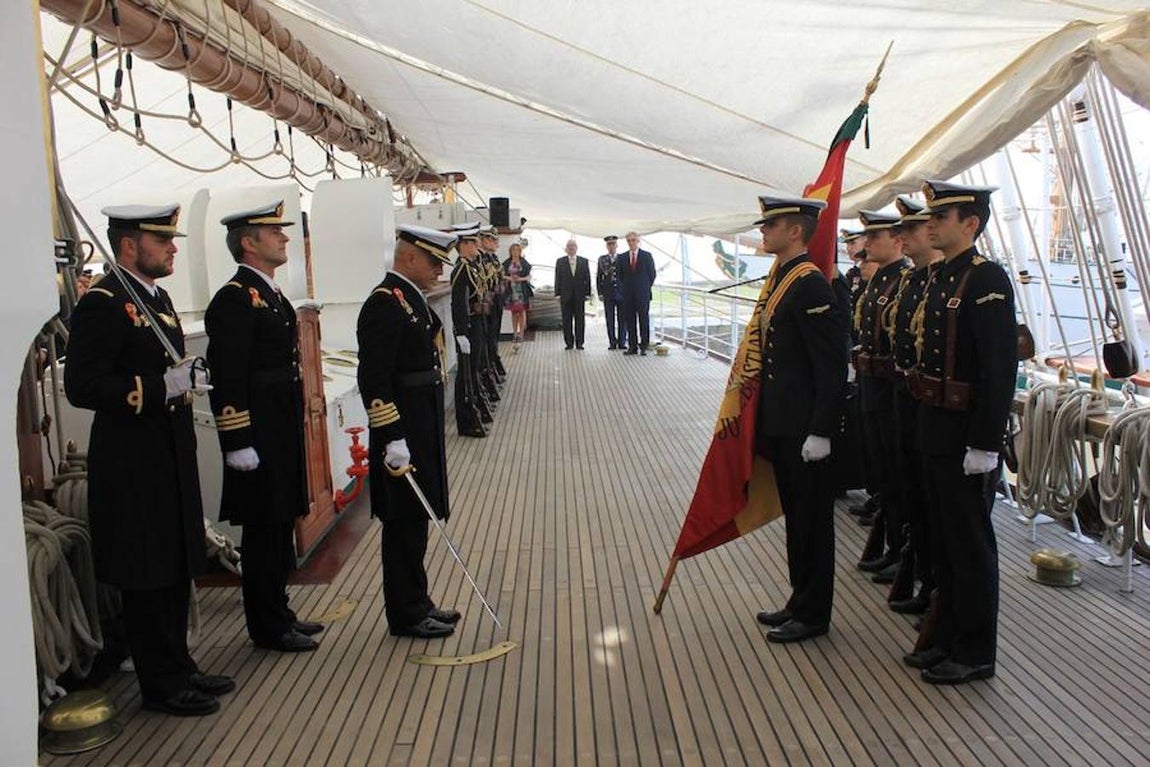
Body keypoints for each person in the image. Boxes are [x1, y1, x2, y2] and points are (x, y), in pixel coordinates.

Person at [64, 203, 232, 716]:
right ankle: (161, 686)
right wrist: (160, 387)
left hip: (169, 454)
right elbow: (82, 386)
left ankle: (180, 666)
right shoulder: (105, 303)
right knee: (148, 572)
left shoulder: (154, 298)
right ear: (128, 245)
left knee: (175, 565)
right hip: (133, 462)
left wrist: (186, 379)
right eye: (162, 241)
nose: (172, 248)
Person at [906, 180, 1017, 684]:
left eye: (941, 217)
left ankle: (975, 652)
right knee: (946, 543)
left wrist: (985, 444)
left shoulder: (985, 278)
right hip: (935, 426)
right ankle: (947, 636)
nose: (931, 223)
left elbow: (999, 367)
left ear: (970, 224)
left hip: (964, 431)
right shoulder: (942, 276)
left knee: (970, 547)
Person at [204, 200, 322, 653]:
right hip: (257, 434)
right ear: (249, 243)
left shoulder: (269, 294)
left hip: (280, 428)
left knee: (279, 525)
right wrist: (237, 439)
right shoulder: (234, 298)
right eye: (274, 232)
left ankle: (280, 610)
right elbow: (228, 375)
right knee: (262, 530)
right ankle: (267, 626)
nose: (285, 237)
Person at [749, 196, 849, 644]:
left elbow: (830, 365)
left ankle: (813, 613)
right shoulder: (785, 279)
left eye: (771, 225)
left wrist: (821, 430)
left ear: (794, 231)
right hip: (785, 424)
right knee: (797, 519)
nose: (763, 231)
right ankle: (799, 599)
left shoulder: (809, 285)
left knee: (812, 523)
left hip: (805, 429)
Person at [356, 224, 462, 638]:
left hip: (421, 423)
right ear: (410, 257)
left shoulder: (408, 298)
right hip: (402, 429)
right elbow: (374, 378)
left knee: (417, 519)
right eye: (433, 261)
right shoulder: (384, 303)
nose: (439, 269)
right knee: (402, 522)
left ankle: (419, 601)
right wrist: (392, 436)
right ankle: (405, 614)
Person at [853, 210, 910, 585]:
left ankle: (901, 550)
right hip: (871, 387)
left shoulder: (902, 281)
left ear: (898, 241)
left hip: (890, 393)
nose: (868, 243)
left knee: (897, 477)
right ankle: (891, 546)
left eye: (876, 237)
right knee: (883, 475)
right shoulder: (878, 280)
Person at [450, 224, 489, 437]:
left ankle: (473, 413)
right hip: (469, 326)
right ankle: (465, 422)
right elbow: (459, 303)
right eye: (474, 242)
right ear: (464, 245)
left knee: (472, 370)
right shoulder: (461, 269)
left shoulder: (471, 267)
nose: (477, 245)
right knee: (465, 374)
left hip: (477, 322)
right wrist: (461, 332)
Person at [617, 231, 656, 355]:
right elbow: (619, 275)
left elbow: (652, 274)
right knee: (630, 320)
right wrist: (626, 288)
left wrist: (644, 287)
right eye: (629, 240)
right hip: (628, 294)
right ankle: (632, 347)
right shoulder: (622, 257)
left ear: (638, 240)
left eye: (633, 240)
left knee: (643, 319)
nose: (631, 243)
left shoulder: (646, 256)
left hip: (643, 294)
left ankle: (644, 346)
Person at [479, 227, 507, 381]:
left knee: (494, 337)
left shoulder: (493, 258)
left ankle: (492, 365)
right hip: (487, 305)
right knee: (488, 339)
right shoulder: (480, 260)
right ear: (482, 240)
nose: (496, 242)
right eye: (491, 239)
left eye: (496, 239)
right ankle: (487, 370)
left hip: (496, 302)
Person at [554, 238, 592, 350]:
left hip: (579, 295)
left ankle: (580, 343)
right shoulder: (560, 261)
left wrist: (588, 293)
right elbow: (557, 278)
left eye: (573, 246)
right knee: (566, 320)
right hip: (565, 295)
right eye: (569, 246)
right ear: (566, 249)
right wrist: (557, 293)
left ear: (576, 248)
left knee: (580, 319)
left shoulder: (583, 261)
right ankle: (569, 343)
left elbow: (587, 278)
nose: (571, 248)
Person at [596, 235, 626, 350]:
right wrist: (600, 292)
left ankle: (622, 342)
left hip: (621, 292)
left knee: (622, 318)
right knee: (610, 318)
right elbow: (599, 277)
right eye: (609, 244)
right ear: (607, 246)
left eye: (613, 244)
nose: (611, 246)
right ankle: (612, 342)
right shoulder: (602, 259)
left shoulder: (622, 258)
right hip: (608, 292)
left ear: (617, 245)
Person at [502, 240, 533, 342]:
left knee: (522, 311)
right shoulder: (506, 263)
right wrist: (510, 278)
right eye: (513, 250)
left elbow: (529, 276)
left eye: (517, 250)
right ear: (510, 251)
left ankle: (521, 334)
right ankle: (515, 333)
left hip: (521, 289)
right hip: (511, 289)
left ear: (520, 251)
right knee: (514, 312)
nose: (515, 252)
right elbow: (502, 275)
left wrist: (521, 279)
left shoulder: (524, 263)